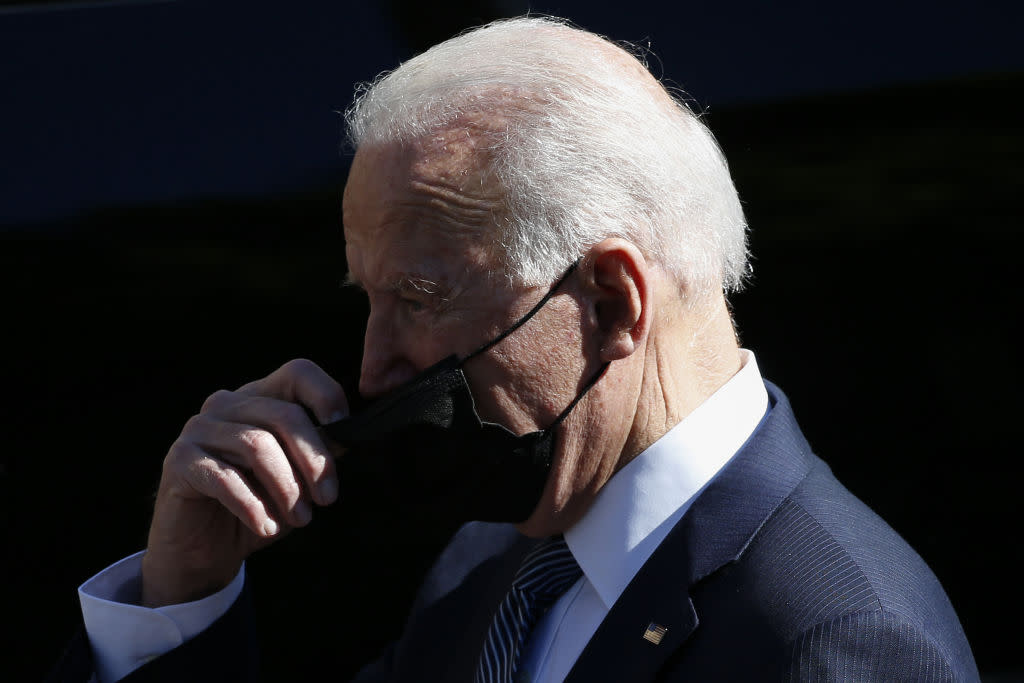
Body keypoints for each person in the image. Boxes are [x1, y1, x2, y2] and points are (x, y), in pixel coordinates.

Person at [49, 16, 978, 683]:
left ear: (612, 301)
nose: (371, 370)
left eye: (418, 297)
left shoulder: (838, 642)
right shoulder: (488, 565)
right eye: (371, 300)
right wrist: (181, 594)